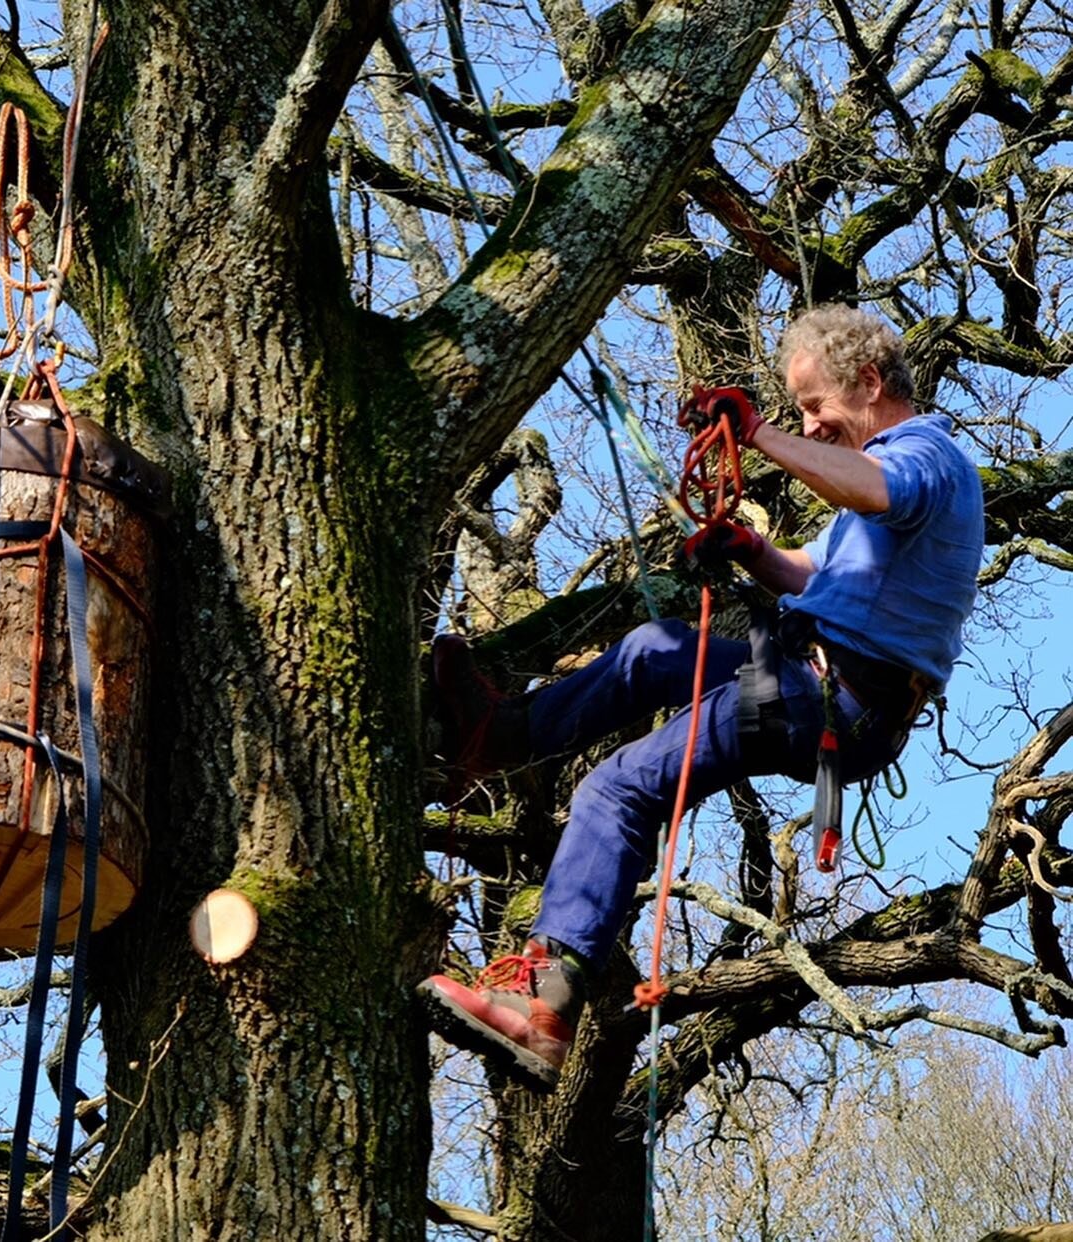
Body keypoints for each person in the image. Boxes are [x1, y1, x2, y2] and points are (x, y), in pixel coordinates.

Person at [417, 304, 985, 1093]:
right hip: (807, 678)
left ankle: (539, 1004)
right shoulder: (884, 486)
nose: (812, 428)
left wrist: (756, 435)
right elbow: (815, 574)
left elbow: (881, 490)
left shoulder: (926, 455)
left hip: (827, 699)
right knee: (655, 650)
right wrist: (750, 549)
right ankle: (496, 736)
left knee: (618, 788)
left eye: (816, 407)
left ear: (869, 381)